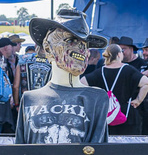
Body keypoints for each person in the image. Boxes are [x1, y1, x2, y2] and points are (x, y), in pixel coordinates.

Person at [14, 9, 108, 144]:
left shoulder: (96, 98)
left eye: (84, 44)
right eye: (71, 40)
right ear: (48, 48)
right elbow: (20, 152)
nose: (81, 48)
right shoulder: (29, 98)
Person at [82, 43, 148, 136]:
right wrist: (138, 100)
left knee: (108, 146)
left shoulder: (99, 72)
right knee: (128, 146)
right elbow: (146, 83)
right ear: (118, 55)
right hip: (127, 114)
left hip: (104, 115)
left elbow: (82, 83)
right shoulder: (129, 70)